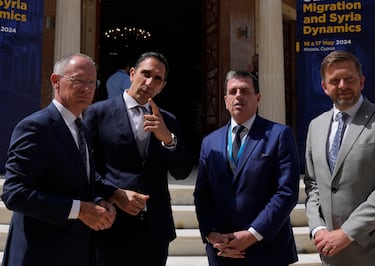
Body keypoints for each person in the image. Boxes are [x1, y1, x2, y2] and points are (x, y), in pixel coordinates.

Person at [1, 53, 116, 266]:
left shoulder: (83, 127)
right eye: (78, 80)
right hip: (41, 254)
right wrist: (80, 210)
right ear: (56, 81)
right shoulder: (36, 127)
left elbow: (80, 180)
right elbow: (15, 193)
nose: (87, 88)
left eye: (92, 82)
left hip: (77, 251)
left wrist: (101, 200)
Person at [84, 51, 193, 266]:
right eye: (145, 73)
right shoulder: (98, 113)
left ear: (163, 86)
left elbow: (182, 172)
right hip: (110, 222)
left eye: (158, 79)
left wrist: (167, 139)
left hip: (155, 230)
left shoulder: (168, 120)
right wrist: (113, 194)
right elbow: (83, 166)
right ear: (132, 74)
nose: (150, 82)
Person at [193, 70, 300, 265]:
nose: (238, 96)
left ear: (258, 97)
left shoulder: (279, 135)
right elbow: (202, 194)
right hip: (222, 250)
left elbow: (286, 192)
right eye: (232, 92)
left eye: (245, 91)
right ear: (225, 100)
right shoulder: (209, 142)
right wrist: (211, 233)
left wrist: (252, 235)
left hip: (266, 249)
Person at [304, 50, 375, 266]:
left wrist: (347, 233)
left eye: (349, 79)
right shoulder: (315, 126)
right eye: (334, 80)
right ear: (324, 87)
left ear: (362, 82)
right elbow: (313, 185)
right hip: (331, 253)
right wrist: (318, 228)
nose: (342, 86)